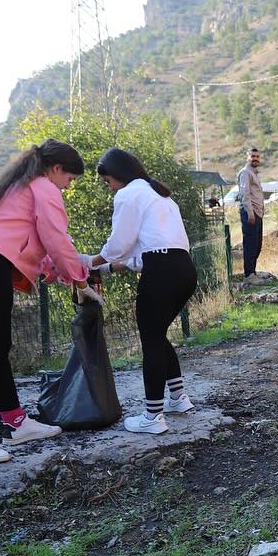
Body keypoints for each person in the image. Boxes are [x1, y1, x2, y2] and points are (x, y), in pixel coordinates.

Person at [0, 140, 98, 463]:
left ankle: (16, 421)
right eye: (69, 179)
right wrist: (79, 281)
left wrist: (57, 270)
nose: (68, 186)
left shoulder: (17, 185)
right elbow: (56, 238)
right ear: (56, 169)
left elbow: (29, 239)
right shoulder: (43, 186)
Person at [87, 149, 197, 435]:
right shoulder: (159, 194)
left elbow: (118, 245)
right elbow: (140, 254)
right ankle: (178, 398)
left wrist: (91, 262)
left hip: (161, 272)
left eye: (108, 180)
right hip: (183, 269)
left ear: (117, 175)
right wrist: (109, 268)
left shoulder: (127, 194)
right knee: (157, 335)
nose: (109, 186)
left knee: (150, 341)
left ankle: (152, 416)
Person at [236, 148, 264, 279]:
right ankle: (249, 274)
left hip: (258, 213)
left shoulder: (254, 173)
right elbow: (244, 193)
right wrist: (250, 213)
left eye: (257, 156)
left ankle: (253, 272)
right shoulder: (245, 173)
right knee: (250, 244)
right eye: (253, 156)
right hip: (250, 212)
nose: (255, 158)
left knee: (257, 244)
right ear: (247, 157)